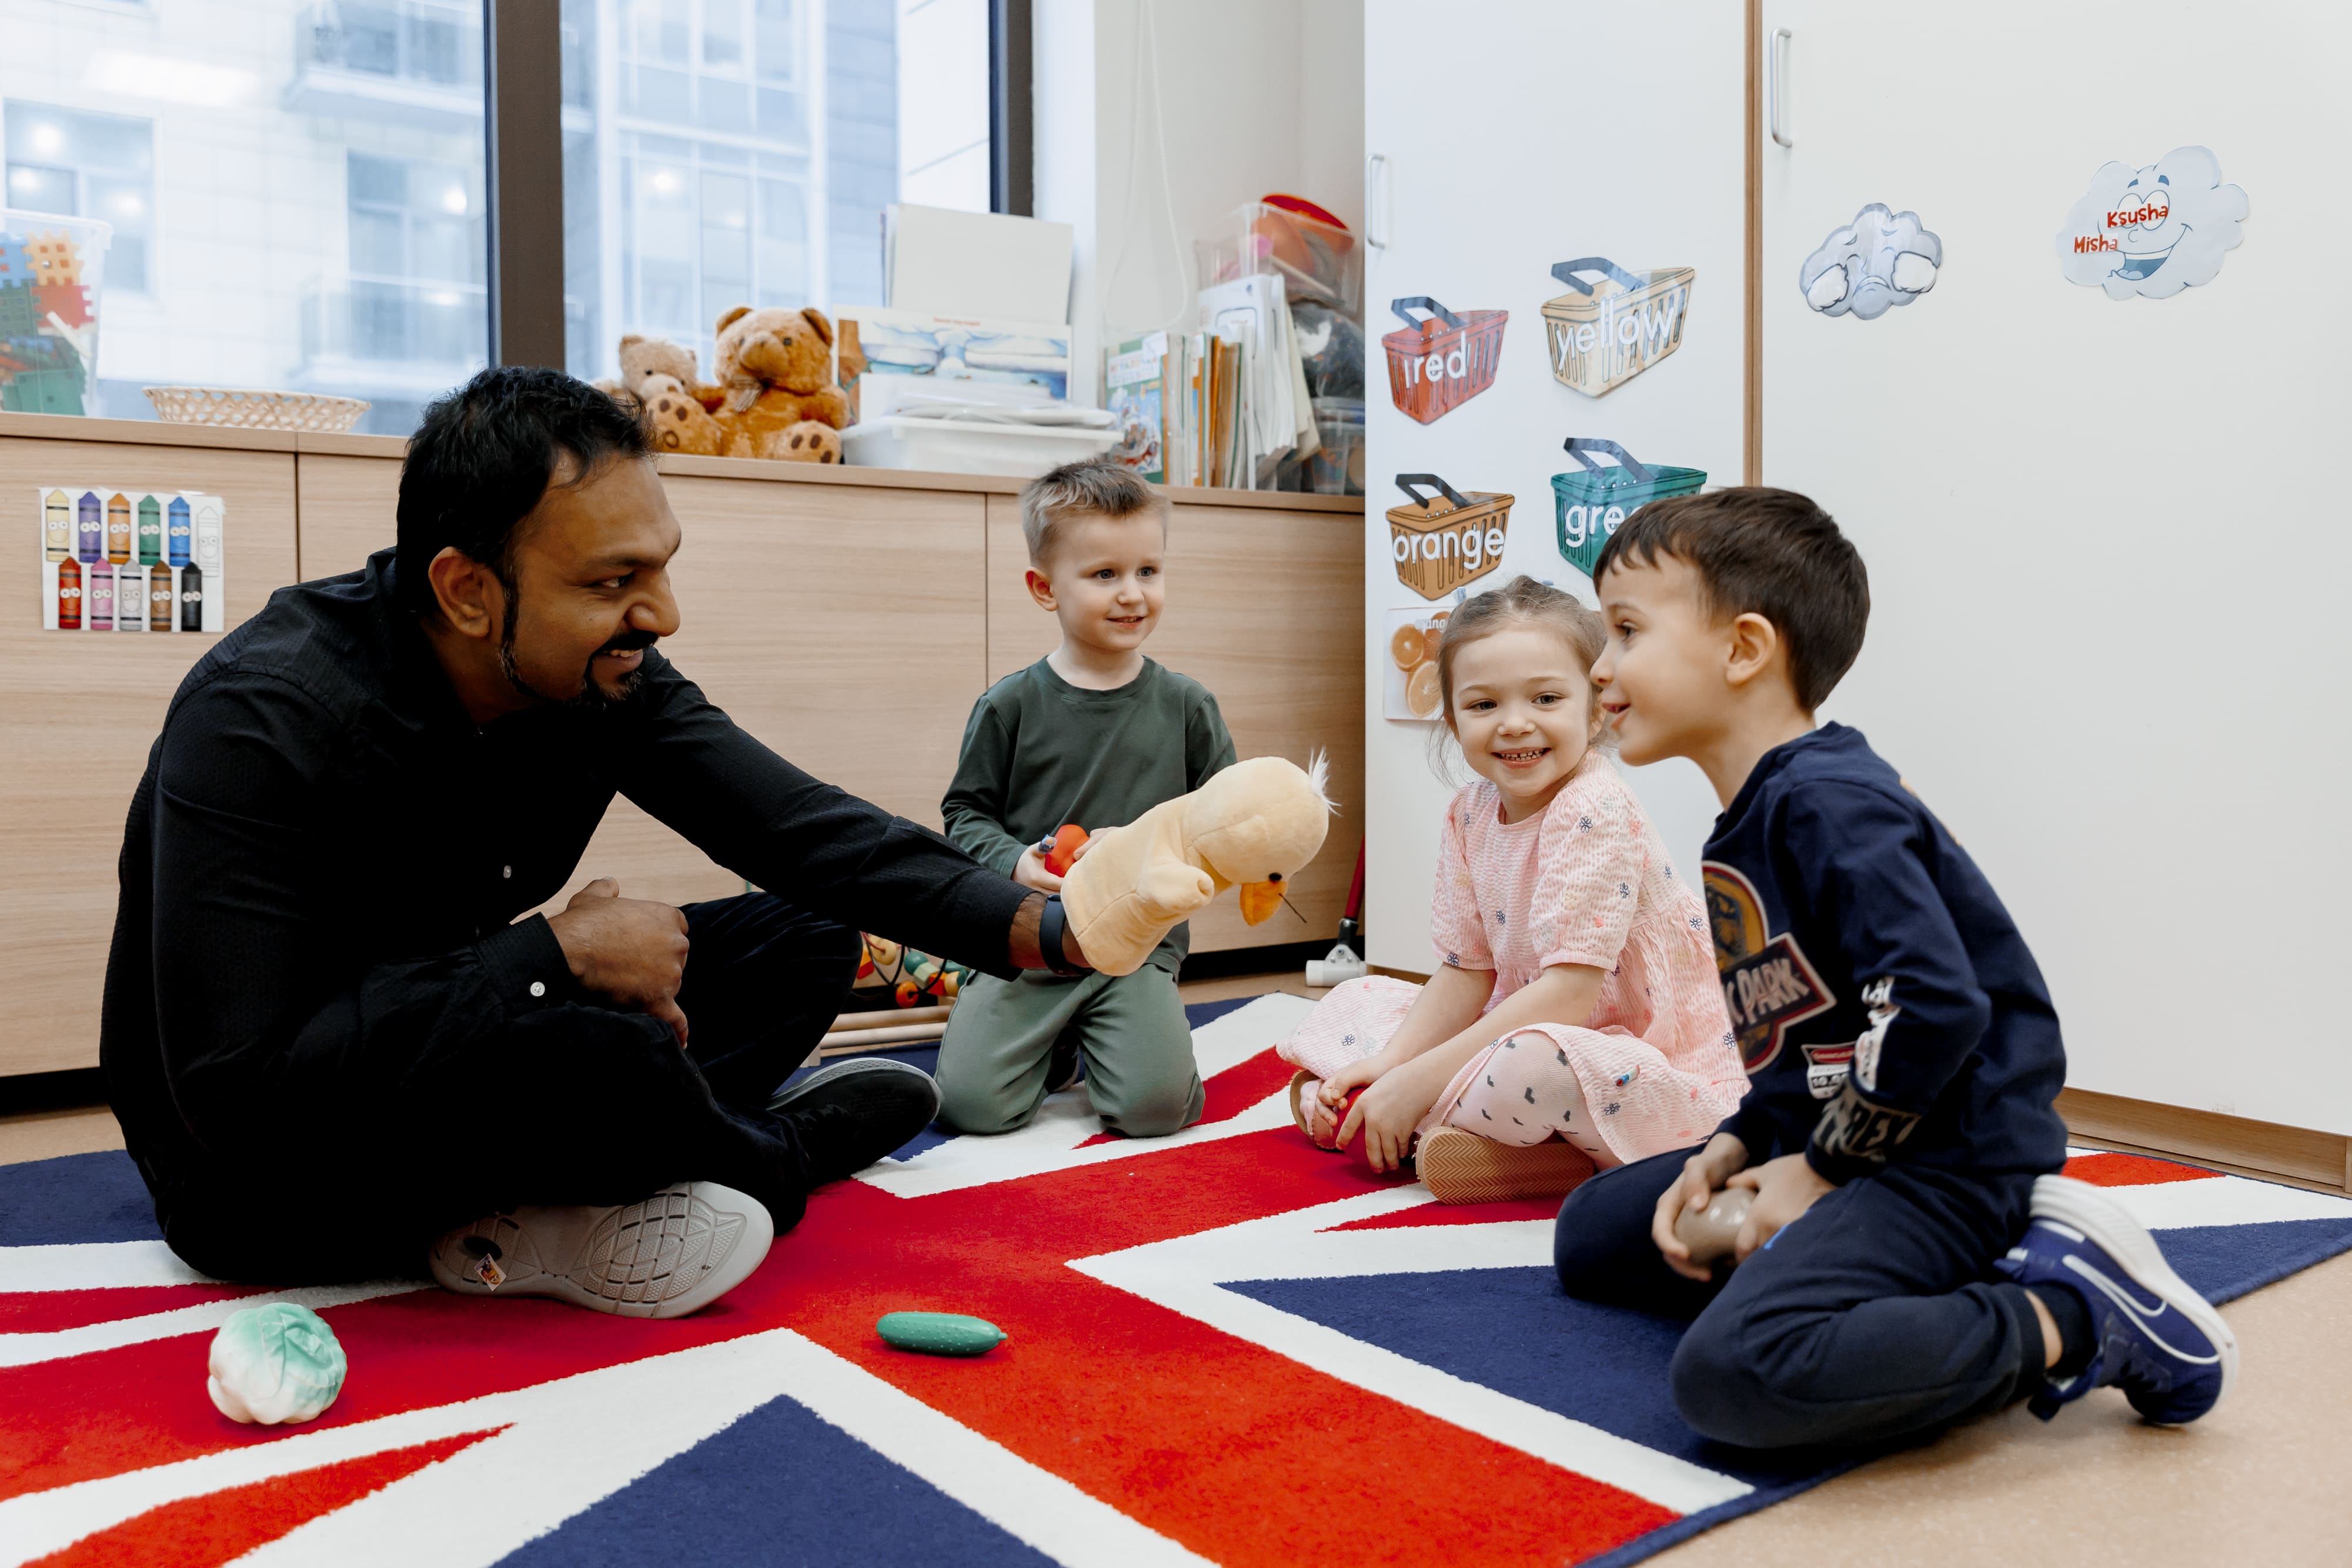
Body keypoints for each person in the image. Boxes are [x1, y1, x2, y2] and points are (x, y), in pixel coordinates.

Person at [100, 367, 1095, 1320]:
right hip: (264, 1167)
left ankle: (660, 1133)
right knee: (603, 1053)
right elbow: (241, 1092)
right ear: (467, 590)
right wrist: (555, 955)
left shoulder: (598, 676)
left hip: (462, 1041)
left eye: (660, 567)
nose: (662, 614)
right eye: (615, 580)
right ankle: (770, 1152)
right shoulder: (263, 720)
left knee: (808, 936)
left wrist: (1050, 928)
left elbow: (799, 827)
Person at [1553, 487, 2234, 1446]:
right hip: (1849, 1139)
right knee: (1593, 1234)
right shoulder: (1750, 822)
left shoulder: (1832, 803)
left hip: (1946, 1160)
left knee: (1734, 1375)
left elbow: (1935, 1006)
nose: (1600, 664)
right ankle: (1882, 1276)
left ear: (1744, 649)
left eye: (1626, 631)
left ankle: (2076, 1311)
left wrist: (1816, 1172)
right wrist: (1739, 1145)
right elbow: (1806, 1047)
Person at [1279, 577, 1748, 1204]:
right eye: (1483, 706)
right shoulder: (1468, 813)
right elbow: (1465, 973)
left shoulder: (1595, 806)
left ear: (1595, 707)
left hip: (1635, 1051)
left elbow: (1568, 997)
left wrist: (1415, 1080)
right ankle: (1450, 1129)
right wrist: (1392, 1063)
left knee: (1534, 1063)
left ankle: (1407, 1119)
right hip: (1518, 1019)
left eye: (1546, 698)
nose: (1515, 724)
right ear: (1453, 721)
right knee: (1357, 998)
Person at [933, 460, 1235, 1137]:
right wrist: (1016, 861)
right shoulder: (1009, 705)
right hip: (1027, 937)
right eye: (1104, 574)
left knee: (1154, 1112)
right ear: (1045, 589)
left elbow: (1223, 822)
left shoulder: (1187, 706)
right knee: (971, 1108)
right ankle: (1063, 1046)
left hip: (1137, 946)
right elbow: (965, 814)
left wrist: (1147, 850)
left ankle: (1105, 1036)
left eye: (1147, 571)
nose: (1132, 594)